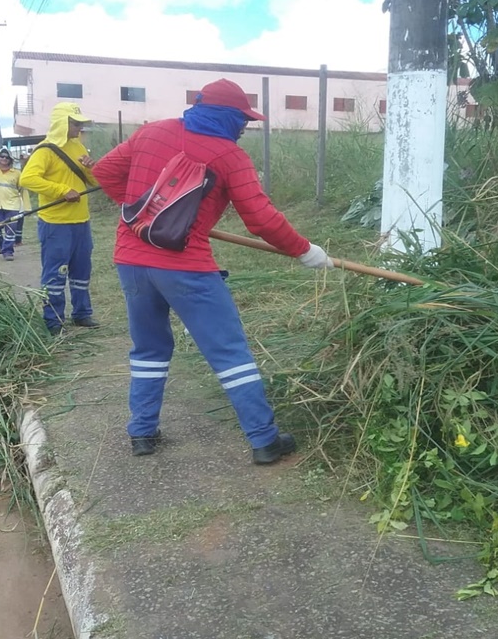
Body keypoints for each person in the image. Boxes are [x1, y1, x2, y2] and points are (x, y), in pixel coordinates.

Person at [91, 78, 334, 465]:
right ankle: (264, 439)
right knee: (229, 351)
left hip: (132, 261)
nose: (245, 127)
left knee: (149, 348)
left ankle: (141, 432)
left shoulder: (151, 132)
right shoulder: (229, 155)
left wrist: (144, 208)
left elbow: (104, 171)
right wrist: (305, 251)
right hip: (186, 267)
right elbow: (260, 219)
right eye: (243, 119)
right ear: (228, 117)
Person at [19, 102, 101, 335]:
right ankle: (53, 320)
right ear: (62, 124)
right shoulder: (45, 150)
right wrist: (61, 191)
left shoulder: (79, 147)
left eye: (80, 124)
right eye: (76, 124)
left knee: (81, 271)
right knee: (56, 273)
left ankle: (82, 314)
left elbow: (95, 182)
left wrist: (90, 168)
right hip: (55, 224)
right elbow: (28, 179)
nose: (79, 128)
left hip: (81, 221)